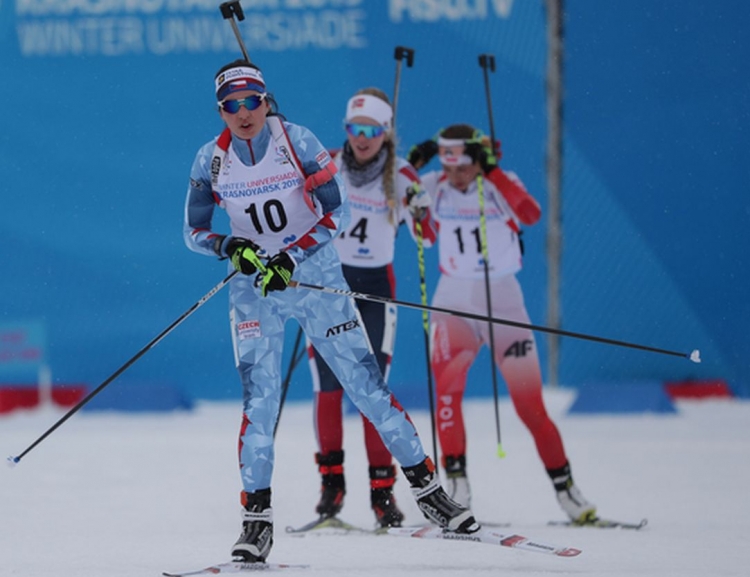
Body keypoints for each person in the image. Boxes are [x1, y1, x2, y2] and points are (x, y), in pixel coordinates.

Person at [183, 60, 479, 564]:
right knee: (260, 404)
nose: (243, 112)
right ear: (221, 111)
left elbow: (335, 211)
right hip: (255, 290)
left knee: (367, 388)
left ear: (265, 99)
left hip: (315, 279)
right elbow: (194, 231)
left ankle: (430, 494)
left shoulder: (296, 140)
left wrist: (291, 255)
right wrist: (231, 248)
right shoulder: (211, 160)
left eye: (251, 100)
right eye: (231, 105)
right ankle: (256, 522)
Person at [407, 124, 597, 523]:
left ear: (479, 160)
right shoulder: (433, 185)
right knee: (446, 395)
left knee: (530, 406)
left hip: (504, 303)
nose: (457, 175)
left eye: (465, 166)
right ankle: (457, 485)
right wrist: (411, 179)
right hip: (453, 302)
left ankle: (567, 491)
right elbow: (419, 231)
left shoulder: (500, 182)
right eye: (450, 166)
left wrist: (491, 173)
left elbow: (530, 213)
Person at [307, 88, 435, 529]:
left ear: (385, 133)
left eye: (372, 131)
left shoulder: (401, 175)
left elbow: (429, 236)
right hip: (327, 287)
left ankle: (382, 493)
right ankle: (331, 485)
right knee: (328, 387)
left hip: (375, 290)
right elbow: (296, 205)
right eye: (355, 130)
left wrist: (419, 211)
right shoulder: (328, 162)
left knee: (372, 392)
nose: (362, 139)